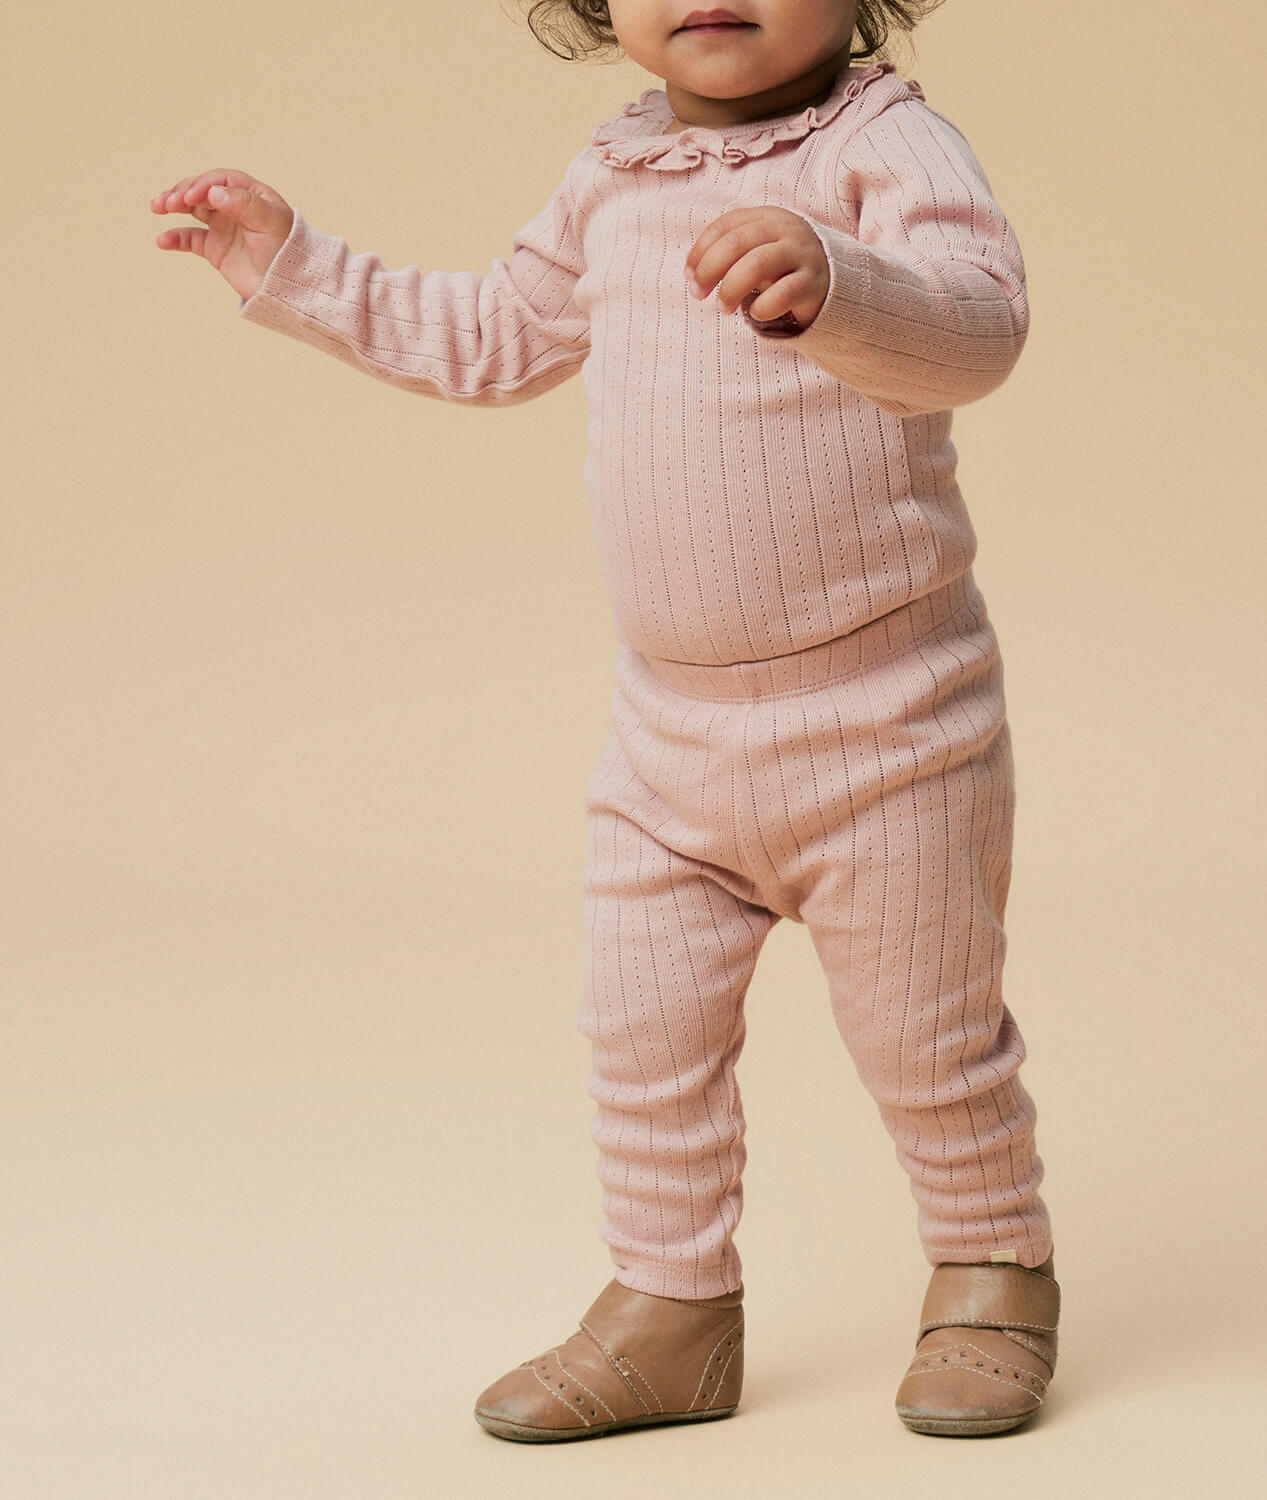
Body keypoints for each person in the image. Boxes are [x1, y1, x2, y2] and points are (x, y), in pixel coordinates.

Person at [149, 0, 1061, 1440]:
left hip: (889, 729)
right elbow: (493, 336)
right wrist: (295, 267)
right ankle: (671, 1306)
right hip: (667, 741)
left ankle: (992, 1268)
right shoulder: (617, 172)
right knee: (642, 1040)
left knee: (928, 1040)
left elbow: (978, 331)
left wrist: (838, 282)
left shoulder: (884, 146)